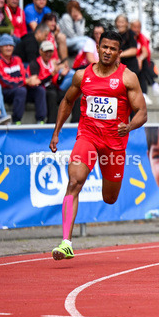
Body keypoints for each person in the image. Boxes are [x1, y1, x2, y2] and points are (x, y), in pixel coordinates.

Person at [48, 30, 148, 260]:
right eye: (104, 47)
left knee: (109, 198)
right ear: (98, 47)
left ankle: (108, 182)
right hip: (88, 137)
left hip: (114, 145)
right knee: (74, 181)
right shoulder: (82, 75)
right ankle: (66, 242)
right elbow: (67, 101)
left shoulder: (127, 78)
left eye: (113, 49)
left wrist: (130, 126)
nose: (107, 52)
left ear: (119, 53)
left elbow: (142, 112)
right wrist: (56, 132)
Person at [0, 34, 38, 124]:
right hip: (4, 91)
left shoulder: (17, 59)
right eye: (6, 46)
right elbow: (5, 81)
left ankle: (41, 120)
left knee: (39, 89)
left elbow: (24, 74)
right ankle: (16, 121)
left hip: (18, 88)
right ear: (0, 47)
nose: (9, 48)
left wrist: (31, 80)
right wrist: (26, 81)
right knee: (21, 91)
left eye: (11, 46)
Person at [28, 40, 69, 124]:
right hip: (39, 91)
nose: (48, 53)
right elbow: (36, 82)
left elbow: (56, 82)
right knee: (52, 94)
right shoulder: (35, 64)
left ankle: (75, 122)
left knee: (71, 94)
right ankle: (51, 123)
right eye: (46, 51)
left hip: (52, 88)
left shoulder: (52, 63)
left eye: (50, 51)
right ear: (40, 51)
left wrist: (61, 76)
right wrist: (52, 74)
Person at [129, 19, 159, 96]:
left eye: (138, 27)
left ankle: (145, 94)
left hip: (139, 65)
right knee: (142, 65)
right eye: (134, 27)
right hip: (128, 64)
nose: (136, 30)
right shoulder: (127, 38)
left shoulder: (141, 38)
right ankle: (153, 86)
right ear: (130, 27)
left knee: (143, 66)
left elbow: (145, 52)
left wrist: (140, 59)